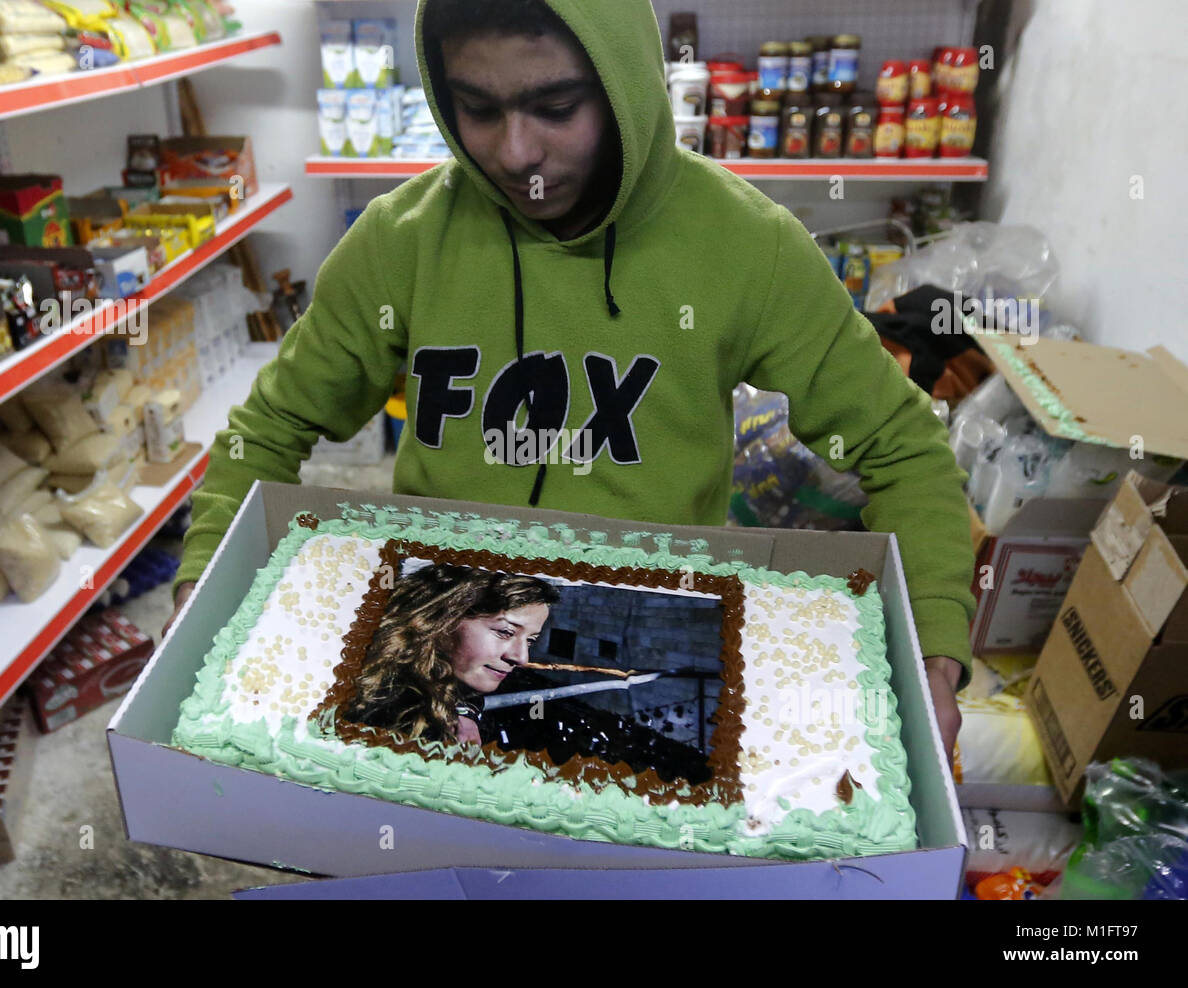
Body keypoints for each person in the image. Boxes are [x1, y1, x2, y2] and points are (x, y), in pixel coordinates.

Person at [166, 0, 973, 765]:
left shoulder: (746, 246)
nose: (516, 152)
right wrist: (203, 581)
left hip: (643, 647)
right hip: (440, 641)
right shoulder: (399, 245)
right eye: (477, 108)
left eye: (555, 106)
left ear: (626, 84)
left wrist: (934, 651)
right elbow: (265, 432)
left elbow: (902, 447)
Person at [345, 564, 560, 744]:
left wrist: (463, 710)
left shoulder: (409, 676)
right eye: (505, 632)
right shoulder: (397, 722)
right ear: (441, 618)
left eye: (531, 640)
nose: (522, 658)